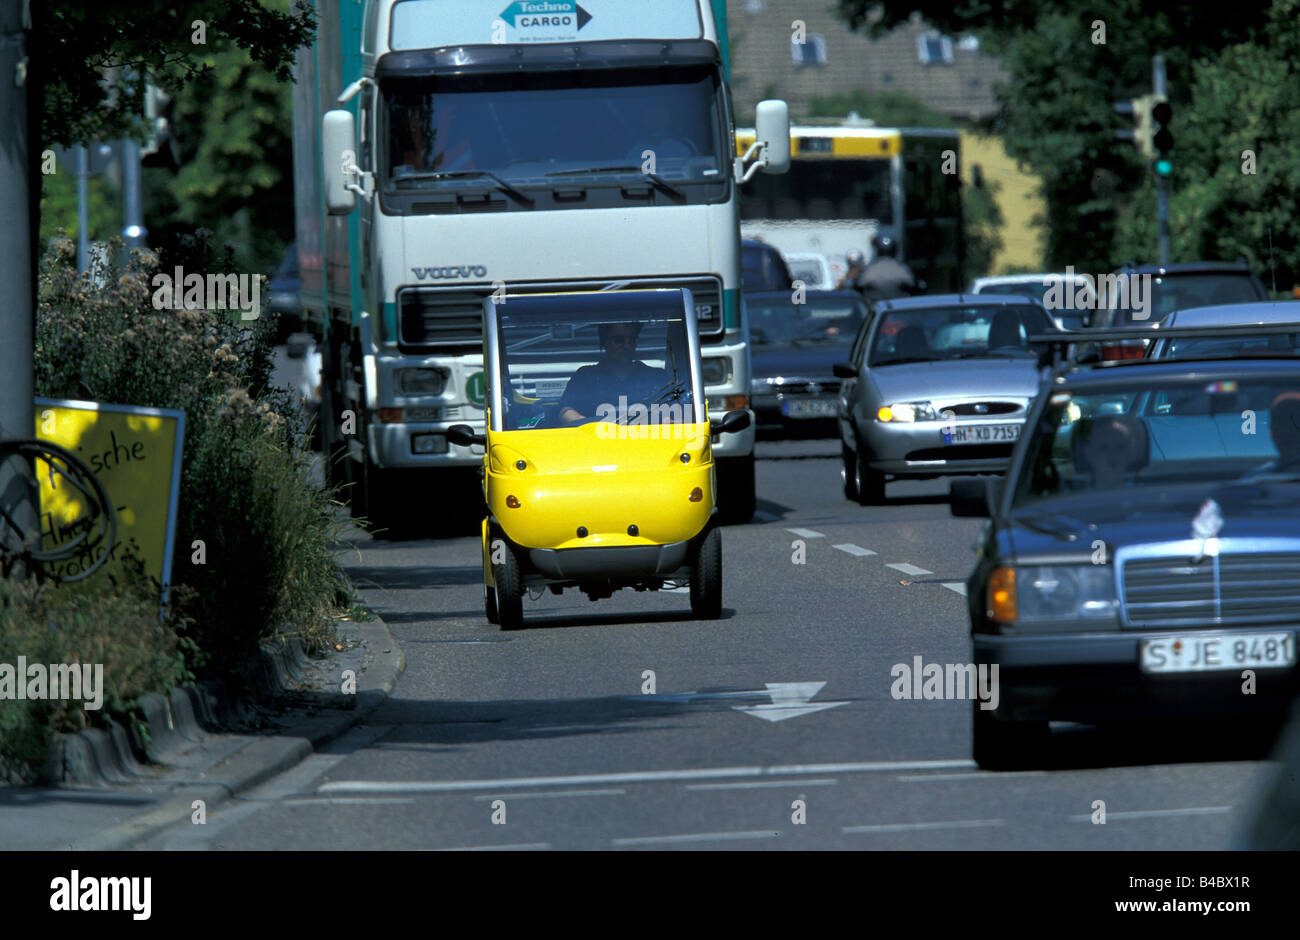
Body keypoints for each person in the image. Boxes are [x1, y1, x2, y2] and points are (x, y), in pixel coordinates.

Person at [558, 321, 666, 425]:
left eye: (631, 340)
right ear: (604, 342)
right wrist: (588, 425)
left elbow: (676, 411)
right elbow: (566, 412)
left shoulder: (657, 377)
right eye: (619, 340)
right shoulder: (585, 377)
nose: (626, 345)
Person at [1074, 415, 1146, 489]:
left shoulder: (1143, 495)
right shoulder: (1076, 498)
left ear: (1131, 452)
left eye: (1120, 447)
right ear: (1089, 454)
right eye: (1103, 448)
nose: (1113, 454)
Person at [850, 233, 922, 304]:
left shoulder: (869, 269)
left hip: (875, 310)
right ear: (894, 251)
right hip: (896, 309)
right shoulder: (902, 268)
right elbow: (915, 285)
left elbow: (857, 286)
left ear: (878, 251)